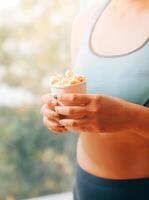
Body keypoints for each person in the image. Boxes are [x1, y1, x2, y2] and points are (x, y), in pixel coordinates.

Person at [41, 0, 149, 199]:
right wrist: (59, 113)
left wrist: (130, 117)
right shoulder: (85, 18)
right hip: (86, 186)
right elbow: (82, 98)